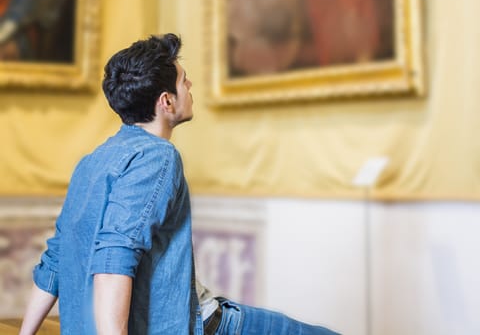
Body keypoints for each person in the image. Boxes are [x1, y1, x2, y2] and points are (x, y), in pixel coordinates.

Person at [19, 33, 340, 335]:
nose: (190, 85)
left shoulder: (92, 161)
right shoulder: (158, 156)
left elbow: (55, 260)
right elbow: (113, 260)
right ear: (167, 102)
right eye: (183, 80)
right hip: (197, 324)